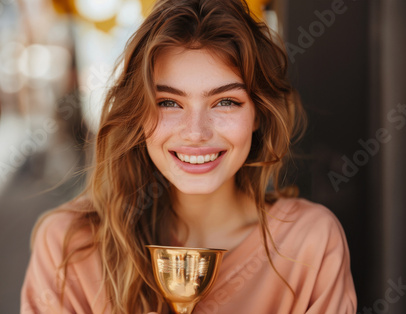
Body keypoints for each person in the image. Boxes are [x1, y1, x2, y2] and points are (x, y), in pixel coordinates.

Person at [20, 0, 357, 313]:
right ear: (137, 114)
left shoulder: (308, 242)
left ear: (258, 114)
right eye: (169, 102)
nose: (196, 132)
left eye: (225, 102)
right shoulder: (69, 246)